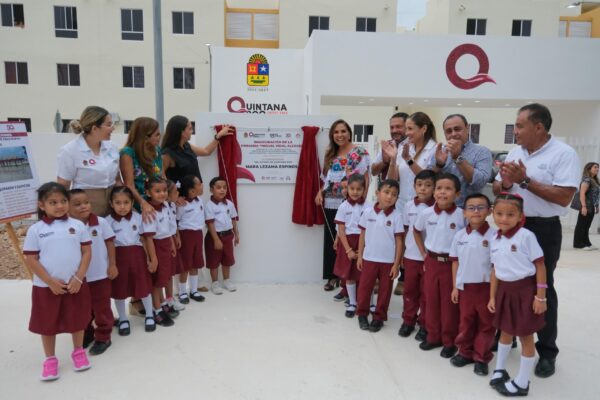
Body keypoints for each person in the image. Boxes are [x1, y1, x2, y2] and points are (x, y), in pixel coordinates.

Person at [492, 103, 580, 378]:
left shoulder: (564, 154)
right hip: (512, 225)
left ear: (539, 127)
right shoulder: (517, 152)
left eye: (519, 126)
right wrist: (506, 183)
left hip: (543, 228)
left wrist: (525, 181)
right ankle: (510, 335)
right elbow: (498, 186)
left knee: (542, 288)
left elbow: (565, 196)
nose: (515, 131)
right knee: (508, 281)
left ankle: (547, 351)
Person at [23, 182, 92, 381]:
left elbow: (87, 252)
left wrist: (79, 277)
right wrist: (50, 281)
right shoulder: (36, 230)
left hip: (75, 284)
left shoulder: (77, 225)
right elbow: (31, 259)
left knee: (77, 319)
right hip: (46, 287)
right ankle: (50, 359)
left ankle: (78, 351)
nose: (59, 206)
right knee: (47, 323)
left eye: (63, 201)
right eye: (53, 202)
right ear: (42, 205)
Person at [488, 193, 548, 397]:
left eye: (510, 214)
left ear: (520, 216)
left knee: (525, 335)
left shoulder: (526, 236)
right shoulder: (494, 238)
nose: (504, 218)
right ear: (492, 213)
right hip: (505, 290)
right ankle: (500, 368)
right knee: (505, 331)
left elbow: (540, 265)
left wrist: (540, 297)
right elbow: (495, 269)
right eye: (499, 213)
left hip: (525, 291)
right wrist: (492, 296)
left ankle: (522, 382)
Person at [385, 112, 437, 297]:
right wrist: (393, 160)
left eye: (410, 128)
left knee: (420, 241)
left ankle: (415, 279)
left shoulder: (435, 148)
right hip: (403, 203)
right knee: (403, 240)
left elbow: (428, 178)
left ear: (423, 129)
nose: (406, 133)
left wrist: (408, 159)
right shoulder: (404, 148)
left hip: (424, 204)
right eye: (405, 128)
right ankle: (401, 275)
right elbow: (393, 179)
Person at [315, 120, 370, 293]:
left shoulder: (360, 152)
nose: (340, 135)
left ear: (349, 132)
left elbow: (366, 177)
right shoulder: (331, 153)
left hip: (352, 203)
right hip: (332, 201)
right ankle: (332, 276)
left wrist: (363, 200)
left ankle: (347, 278)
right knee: (332, 240)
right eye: (336, 132)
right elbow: (327, 178)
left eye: (343, 131)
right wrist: (320, 192)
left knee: (350, 240)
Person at [413, 173, 464, 358]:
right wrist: (423, 254)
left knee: (449, 304)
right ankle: (433, 336)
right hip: (432, 262)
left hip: (451, 264)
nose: (443, 192)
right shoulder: (426, 213)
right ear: (434, 192)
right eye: (439, 188)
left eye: (448, 189)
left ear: (457, 194)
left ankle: (449, 341)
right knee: (431, 301)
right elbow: (416, 231)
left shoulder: (461, 215)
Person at [449, 193, 496, 376]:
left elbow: (496, 268)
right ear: (464, 213)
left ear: (489, 211)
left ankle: (481, 357)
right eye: (471, 208)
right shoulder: (459, 236)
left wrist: (493, 295)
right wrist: (455, 286)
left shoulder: (494, 236)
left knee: (486, 324)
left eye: (480, 207)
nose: (476, 211)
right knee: (466, 322)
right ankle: (465, 352)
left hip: (485, 288)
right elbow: (455, 262)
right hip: (465, 288)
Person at [68, 189, 116, 356]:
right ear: (67, 207)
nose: (83, 206)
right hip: (79, 277)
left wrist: (113, 265)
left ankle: (104, 336)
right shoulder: (68, 226)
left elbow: (110, 244)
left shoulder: (101, 222)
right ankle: (87, 332)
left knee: (102, 307)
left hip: (100, 274)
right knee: (83, 307)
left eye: (86, 202)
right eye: (77, 204)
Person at [105, 186, 156, 334]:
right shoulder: (107, 221)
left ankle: (149, 314)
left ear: (132, 202)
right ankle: (123, 319)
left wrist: (150, 258)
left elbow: (144, 239)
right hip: (118, 257)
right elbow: (107, 245)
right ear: (111, 203)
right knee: (119, 289)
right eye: (118, 202)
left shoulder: (138, 217)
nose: (122, 206)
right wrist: (111, 264)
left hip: (137, 255)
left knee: (143, 286)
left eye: (126, 202)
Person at [356, 179, 404, 332]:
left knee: (385, 291)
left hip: (388, 262)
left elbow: (399, 241)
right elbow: (362, 235)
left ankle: (379, 318)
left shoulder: (397, 216)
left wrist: (396, 264)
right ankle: (362, 314)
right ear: (377, 193)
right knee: (364, 288)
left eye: (394, 194)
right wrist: (359, 256)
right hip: (369, 258)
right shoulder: (368, 212)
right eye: (386, 192)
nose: (390, 197)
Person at [57, 106, 120, 216]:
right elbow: (63, 186)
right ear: (94, 128)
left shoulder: (113, 147)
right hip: (84, 207)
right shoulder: (70, 150)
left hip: (112, 206)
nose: (113, 128)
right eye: (109, 125)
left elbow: (117, 179)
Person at [398, 169, 435, 341]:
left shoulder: (437, 208)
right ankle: (408, 321)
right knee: (410, 291)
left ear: (434, 188)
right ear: (414, 186)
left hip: (429, 259)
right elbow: (405, 230)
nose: (423, 189)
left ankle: (424, 324)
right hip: (411, 257)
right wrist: (403, 255)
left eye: (428, 186)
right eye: (419, 185)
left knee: (426, 294)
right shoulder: (408, 206)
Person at [430, 114, 492, 207]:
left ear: (467, 128)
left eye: (457, 129)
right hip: (441, 210)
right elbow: (428, 181)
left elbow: (479, 183)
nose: (453, 134)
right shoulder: (440, 151)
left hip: (469, 212)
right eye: (449, 131)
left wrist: (458, 158)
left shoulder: (482, 152)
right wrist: (439, 165)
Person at [333, 174, 371, 318]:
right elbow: (341, 230)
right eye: (352, 188)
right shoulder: (343, 206)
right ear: (347, 189)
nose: (355, 192)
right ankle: (352, 303)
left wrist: (363, 249)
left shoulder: (369, 206)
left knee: (363, 274)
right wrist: (348, 250)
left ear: (364, 190)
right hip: (347, 242)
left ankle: (364, 302)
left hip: (364, 241)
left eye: (358, 189)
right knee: (349, 274)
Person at [142, 178, 177, 327]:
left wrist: (172, 244)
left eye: (164, 190)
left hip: (165, 244)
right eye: (157, 191)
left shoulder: (165, 206)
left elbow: (167, 228)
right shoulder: (148, 210)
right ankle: (157, 310)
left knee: (164, 276)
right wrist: (153, 258)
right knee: (156, 281)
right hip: (154, 246)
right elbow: (148, 237)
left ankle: (162, 303)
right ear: (148, 193)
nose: (162, 194)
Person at [120, 117, 164, 222]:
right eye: (157, 135)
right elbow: (129, 185)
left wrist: (170, 195)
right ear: (145, 137)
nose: (159, 137)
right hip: (139, 204)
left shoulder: (157, 150)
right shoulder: (128, 153)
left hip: (157, 200)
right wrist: (143, 203)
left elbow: (162, 176)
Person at [205, 176, 240, 295]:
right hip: (214, 237)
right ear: (211, 189)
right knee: (214, 261)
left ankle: (226, 280)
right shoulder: (209, 205)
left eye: (224, 187)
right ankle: (214, 283)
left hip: (228, 236)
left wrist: (236, 233)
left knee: (227, 259)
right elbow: (210, 223)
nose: (222, 190)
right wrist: (216, 239)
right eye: (218, 187)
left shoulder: (229, 204)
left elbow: (234, 219)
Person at [176, 175, 207, 303]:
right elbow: (176, 221)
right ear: (191, 190)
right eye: (199, 184)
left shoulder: (199, 200)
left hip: (198, 234)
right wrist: (177, 237)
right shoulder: (182, 204)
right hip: (186, 235)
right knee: (185, 264)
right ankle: (182, 292)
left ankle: (193, 290)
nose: (202, 186)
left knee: (195, 263)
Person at [371, 112, 408, 180]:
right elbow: (373, 172)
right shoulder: (387, 145)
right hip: (388, 189)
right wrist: (384, 162)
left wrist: (408, 159)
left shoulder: (414, 145)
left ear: (407, 127)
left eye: (398, 127)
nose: (394, 130)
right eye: (392, 127)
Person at [573, 162, 599, 250]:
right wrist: (583, 207)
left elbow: (594, 195)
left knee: (587, 225)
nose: (597, 169)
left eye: (598, 168)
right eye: (595, 167)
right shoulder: (587, 180)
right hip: (586, 205)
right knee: (582, 224)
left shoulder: (594, 180)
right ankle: (578, 244)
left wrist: (597, 205)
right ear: (589, 169)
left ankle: (586, 242)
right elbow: (582, 194)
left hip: (591, 206)